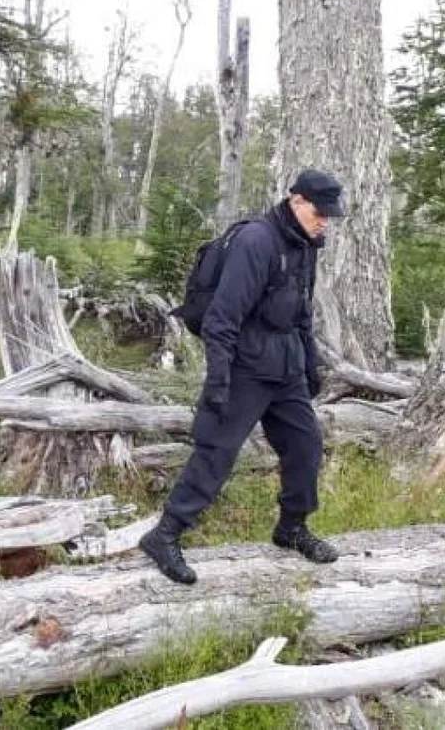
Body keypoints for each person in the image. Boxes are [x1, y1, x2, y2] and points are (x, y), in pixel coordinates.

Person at [140, 169, 346, 585]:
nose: (325, 220)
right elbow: (221, 319)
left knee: (306, 445)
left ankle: (291, 529)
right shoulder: (257, 241)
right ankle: (164, 536)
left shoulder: (306, 245)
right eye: (320, 212)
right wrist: (219, 380)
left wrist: (309, 365)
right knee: (216, 452)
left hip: (285, 367)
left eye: (330, 214)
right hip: (245, 366)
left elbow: (301, 311)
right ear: (297, 201)